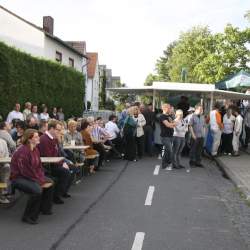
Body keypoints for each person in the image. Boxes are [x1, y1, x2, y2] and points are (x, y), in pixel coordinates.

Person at [10, 129, 54, 224]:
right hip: (18, 178)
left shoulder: (35, 149)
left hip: (31, 176)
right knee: (37, 190)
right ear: (30, 139)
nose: (39, 138)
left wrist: (41, 177)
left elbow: (39, 167)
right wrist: (39, 180)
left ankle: (44, 209)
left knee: (50, 181)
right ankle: (27, 216)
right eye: (36, 137)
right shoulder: (23, 151)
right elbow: (25, 171)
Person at [38, 120, 71, 204]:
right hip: (47, 166)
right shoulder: (44, 139)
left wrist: (63, 162)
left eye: (60, 130)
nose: (59, 132)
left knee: (71, 167)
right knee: (65, 172)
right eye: (58, 130)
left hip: (55, 163)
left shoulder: (54, 138)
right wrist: (62, 164)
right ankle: (56, 196)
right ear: (51, 129)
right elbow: (49, 157)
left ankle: (62, 192)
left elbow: (58, 153)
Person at [159, 103, 176, 170]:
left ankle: (165, 164)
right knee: (169, 150)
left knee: (167, 150)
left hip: (170, 135)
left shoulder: (170, 116)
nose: (170, 109)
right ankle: (167, 163)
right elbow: (168, 125)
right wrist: (173, 123)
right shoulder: (162, 116)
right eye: (169, 108)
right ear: (165, 108)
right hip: (164, 136)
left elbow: (173, 124)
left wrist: (173, 123)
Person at [189, 103, 205, 167]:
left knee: (199, 150)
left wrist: (204, 134)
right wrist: (193, 135)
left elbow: (203, 126)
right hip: (195, 136)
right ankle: (192, 162)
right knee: (193, 149)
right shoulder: (192, 116)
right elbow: (190, 126)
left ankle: (198, 162)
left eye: (202, 109)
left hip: (201, 136)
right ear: (196, 109)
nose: (201, 110)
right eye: (200, 109)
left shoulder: (202, 116)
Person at [0, 138, 10, 204]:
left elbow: (7, 155)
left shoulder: (3, 141)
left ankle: (2, 195)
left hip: (3, 165)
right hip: (3, 165)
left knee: (6, 168)